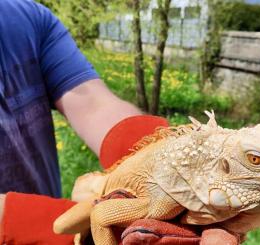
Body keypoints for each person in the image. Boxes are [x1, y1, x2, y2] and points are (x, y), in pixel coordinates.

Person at [0, 0, 241, 244]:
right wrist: (31, 223)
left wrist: (168, 156)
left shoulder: (25, 17)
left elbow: (93, 104)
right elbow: (98, 218)